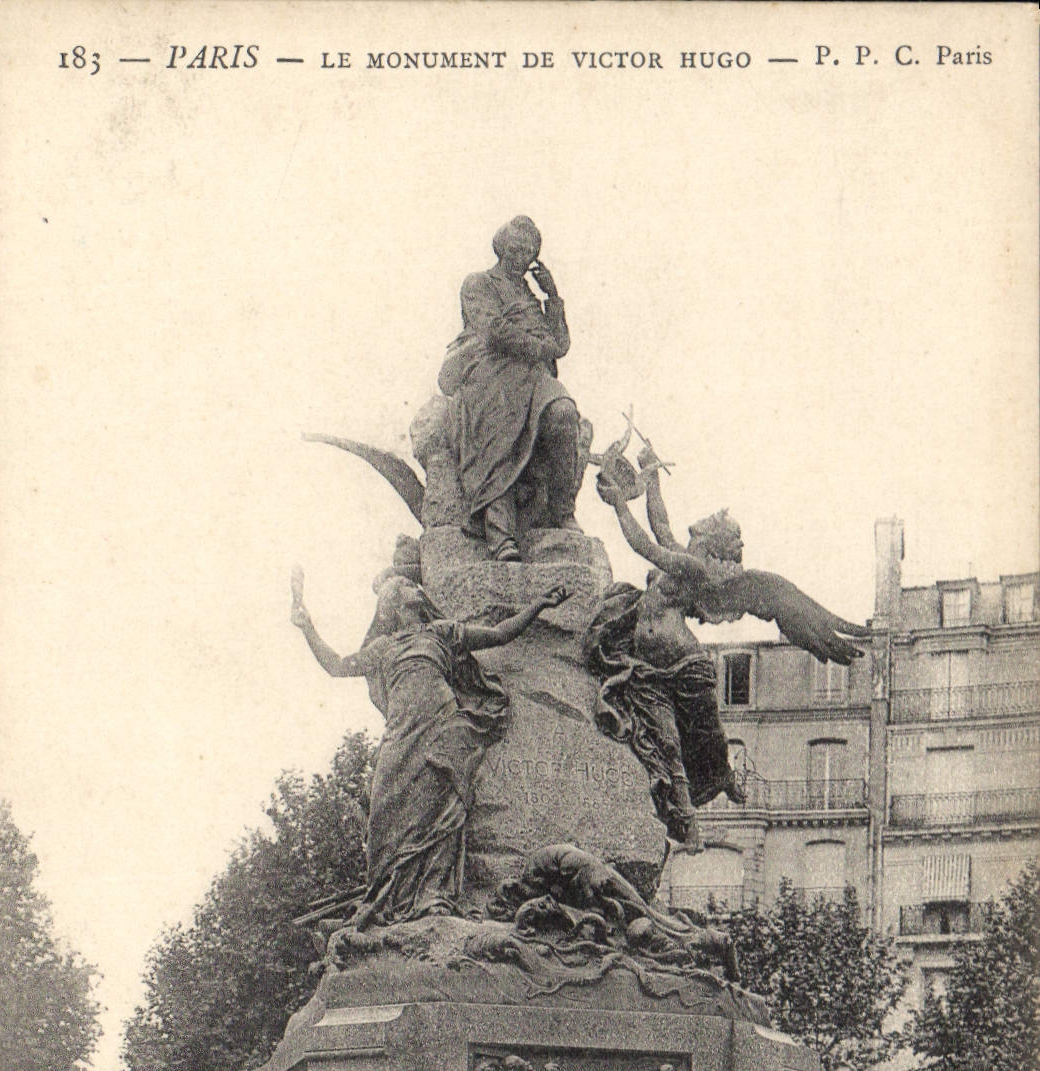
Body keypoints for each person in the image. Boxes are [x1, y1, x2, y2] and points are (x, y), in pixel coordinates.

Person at [589, 445, 868, 848]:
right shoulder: (684, 555)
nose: (703, 519)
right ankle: (690, 811)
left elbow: (644, 547)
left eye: (711, 521)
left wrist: (618, 505)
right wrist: (649, 477)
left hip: (683, 665)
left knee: (687, 737)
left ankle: (699, 808)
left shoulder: (694, 567)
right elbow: (660, 525)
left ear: (711, 537)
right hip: (648, 662)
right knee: (666, 740)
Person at [291, 570, 568, 926]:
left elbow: (499, 634)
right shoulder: (383, 647)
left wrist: (539, 605)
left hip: (442, 728)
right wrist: (307, 627)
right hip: (401, 734)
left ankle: (433, 896)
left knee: (442, 810)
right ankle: (387, 901)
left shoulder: (441, 632)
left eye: (410, 584)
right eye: (404, 587)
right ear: (389, 606)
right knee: (382, 816)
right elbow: (337, 666)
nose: (413, 588)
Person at [438, 217, 582, 562]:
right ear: (501, 246)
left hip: (534, 377)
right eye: (516, 248)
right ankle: (500, 535)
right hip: (493, 372)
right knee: (498, 427)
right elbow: (493, 330)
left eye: (529, 251)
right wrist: (539, 346)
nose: (521, 256)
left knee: (563, 413)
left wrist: (553, 295)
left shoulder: (533, 298)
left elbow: (561, 344)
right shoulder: (479, 283)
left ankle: (562, 512)